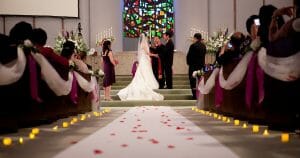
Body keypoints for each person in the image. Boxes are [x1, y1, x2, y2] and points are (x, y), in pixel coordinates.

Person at [117, 33, 164, 101]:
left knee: (142, 72)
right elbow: (148, 53)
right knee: (145, 72)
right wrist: (155, 55)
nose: (147, 39)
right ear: (145, 38)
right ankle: (147, 83)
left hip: (144, 60)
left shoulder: (142, 44)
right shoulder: (144, 44)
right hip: (144, 60)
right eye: (147, 37)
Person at [186, 33, 206, 99]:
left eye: (193, 38)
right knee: (200, 80)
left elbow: (189, 56)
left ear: (195, 38)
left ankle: (194, 95)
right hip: (201, 66)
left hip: (193, 66)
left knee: (193, 81)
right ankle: (201, 94)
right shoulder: (204, 46)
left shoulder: (193, 46)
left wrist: (189, 63)